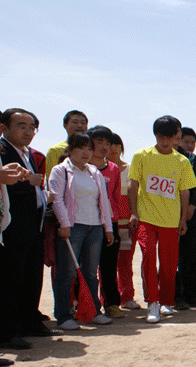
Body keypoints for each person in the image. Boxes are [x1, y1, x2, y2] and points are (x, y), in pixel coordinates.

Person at [128, 115, 196, 323]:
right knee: (149, 257)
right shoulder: (141, 156)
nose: (165, 142)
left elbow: (184, 192)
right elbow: (133, 185)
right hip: (146, 218)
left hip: (171, 220)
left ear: (176, 136)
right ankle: (152, 302)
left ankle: (167, 301)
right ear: (155, 135)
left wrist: (183, 219)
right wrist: (134, 212)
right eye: (161, 137)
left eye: (169, 137)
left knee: (168, 264)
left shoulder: (182, 161)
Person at [48, 132, 115, 330]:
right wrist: (64, 224)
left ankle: (92, 312)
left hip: (95, 228)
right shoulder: (60, 170)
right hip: (73, 227)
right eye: (80, 148)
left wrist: (108, 228)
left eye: (89, 148)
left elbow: (103, 201)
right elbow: (56, 199)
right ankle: (63, 316)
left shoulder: (94, 172)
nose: (85, 153)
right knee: (67, 273)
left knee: (90, 273)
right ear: (70, 149)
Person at [0, 108, 50, 350]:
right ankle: (8, 330)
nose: (28, 132)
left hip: (33, 224)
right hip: (13, 226)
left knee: (31, 277)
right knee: (10, 280)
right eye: (21, 126)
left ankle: (29, 321)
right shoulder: (2, 151)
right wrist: (28, 181)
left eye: (31, 128)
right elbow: (4, 185)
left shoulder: (28, 153)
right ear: (5, 128)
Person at [86, 125, 124, 319]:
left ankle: (112, 304)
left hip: (110, 224)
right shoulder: (81, 167)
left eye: (107, 143)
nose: (103, 146)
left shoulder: (114, 169)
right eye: (99, 141)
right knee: (87, 268)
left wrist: (116, 220)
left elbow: (116, 197)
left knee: (109, 267)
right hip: (86, 223)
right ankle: (87, 305)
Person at [175, 127, 196, 309]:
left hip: (191, 214)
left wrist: (192, 205)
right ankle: (176, 296)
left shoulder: (192, 159)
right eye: (185, 141)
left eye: (192, 142)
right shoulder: (167, 157)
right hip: (170, 215)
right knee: (176, 259)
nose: (189, 145)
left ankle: (192, 294)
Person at [108, 133, 139, 310]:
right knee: (106, 265)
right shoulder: (100, 170)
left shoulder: (131, 169)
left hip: (127, 224)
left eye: (116, 145)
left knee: (125, 263)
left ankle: (127, 297)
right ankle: (107, 300)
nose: (113, 148)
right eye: (109, 145)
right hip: (108, 224)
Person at [46, 110, 88, 181]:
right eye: (75, 122)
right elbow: (51, 179)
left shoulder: (93, 149)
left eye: (83, 123)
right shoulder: (55, 150)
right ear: (65, 125)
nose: (80, 125)